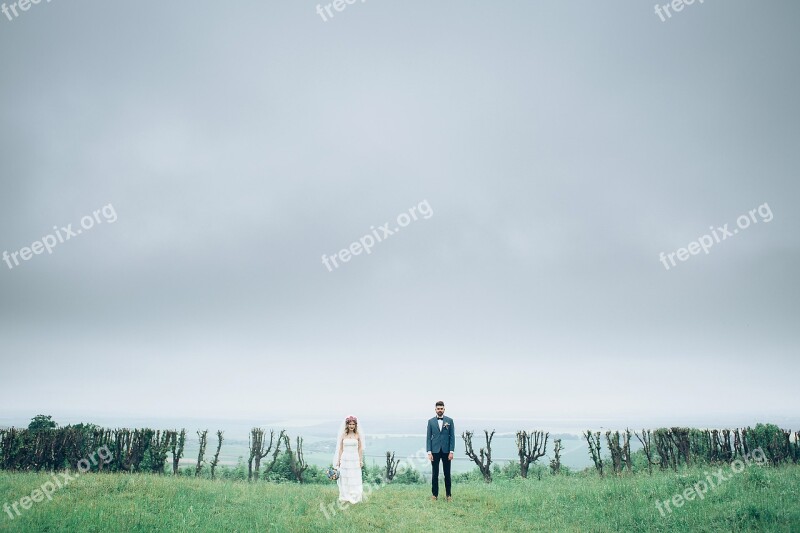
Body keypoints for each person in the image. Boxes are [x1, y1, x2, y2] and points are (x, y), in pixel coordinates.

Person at [426, 400, 455, 501]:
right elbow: (428, 437)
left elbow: (452, 437)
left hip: (447, 451)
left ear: (444, 409)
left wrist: (451, 451)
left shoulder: (449, 421)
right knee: (435, 474)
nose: (440, 410)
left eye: (441, 409)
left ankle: (448, 495)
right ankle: (435, 495)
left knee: (447, 474)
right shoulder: (430, 422)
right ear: (435, 409)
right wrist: (429, 452)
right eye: (438, 409)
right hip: (435, 451)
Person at [334, 415, 364, 503]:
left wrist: (360, 460)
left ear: (355, 425)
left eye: (353, 424)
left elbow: (360, 448)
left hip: (354, 459)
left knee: (354, 476)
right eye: (350, 424)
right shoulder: (343, 435)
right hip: (345, 458)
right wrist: (338, 460)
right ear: (347, 425)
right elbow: (340, 448)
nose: (351, 426)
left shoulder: (358, 435)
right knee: (345, 477)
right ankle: (345, 495)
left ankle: (354, 495)